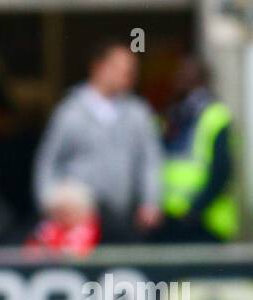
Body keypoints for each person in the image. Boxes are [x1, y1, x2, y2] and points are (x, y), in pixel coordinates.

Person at [33, 41, 163, 242]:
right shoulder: (70, 111)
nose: (128, 76)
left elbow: (150, 161)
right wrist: (48, 201)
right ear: (98, 67)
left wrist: (151, 202)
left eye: (131, 70)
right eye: (120, 69)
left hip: (123, 217)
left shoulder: (138, 113)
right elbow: (48, 160)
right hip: (77, 221)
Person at [159, 58, 236, 243]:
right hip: (173, 217)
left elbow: (222, 170)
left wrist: (195, 209)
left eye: (186, 75)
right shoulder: (175, 115)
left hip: (207, 221)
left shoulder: (215, 115)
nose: (179, 80)